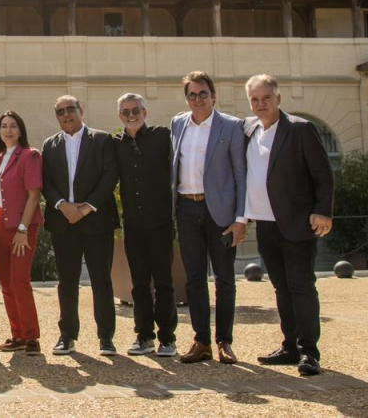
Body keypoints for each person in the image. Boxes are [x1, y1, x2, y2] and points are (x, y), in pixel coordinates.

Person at [243, 74, 334, 376]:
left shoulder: (300, 129)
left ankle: (310, 352)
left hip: (296, 222)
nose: (260, 104)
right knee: (281, 288)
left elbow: (322, 173)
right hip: (266, 224)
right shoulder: (250, 129)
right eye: (254, 99)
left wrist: (323, 210)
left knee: (301, 287)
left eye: (266, 97)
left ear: (278, 98)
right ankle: (290, 346)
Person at [171, 70, 247, 364]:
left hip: (222, 214)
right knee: (194, 279)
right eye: (192, 94)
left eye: (203, 93)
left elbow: (241, 174)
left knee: (225, 279)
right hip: (186, 210)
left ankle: (224, 342)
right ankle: (201, 341)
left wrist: (241, 219)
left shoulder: (231, 126)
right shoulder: (177, 123)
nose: (198, 99)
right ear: (186, 98)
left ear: (213, 96)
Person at [42, 95, 120, 356]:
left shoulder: (101, 139)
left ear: (80, 110)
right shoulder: (49, 145)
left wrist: (86, 207)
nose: (66, 114)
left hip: (96, 221)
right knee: (66, 281)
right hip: (63, 222)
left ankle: (106, 338)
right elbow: (46, 181)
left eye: (70, 109)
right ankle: (67, 336)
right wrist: (63, 205)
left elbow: (110, 175)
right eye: (60, 111)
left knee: (101, 280)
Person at [113, 93, 178, 358]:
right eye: (126, 112)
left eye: (136, 110)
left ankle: (167, 339)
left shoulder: (163, 137)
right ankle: (144, 336)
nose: (131, 115)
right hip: (134, 225)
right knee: (139, 283)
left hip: (161, 223)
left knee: (163, 282)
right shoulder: (115, 145)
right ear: (120, 116)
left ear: (145, 112)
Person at [0, 110, 43, 355]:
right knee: (5, 283)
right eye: (4, 127)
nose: (8, 131)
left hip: (21, 226)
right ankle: (17, 334)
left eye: (12, 126)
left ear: (20, 130)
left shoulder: (30, 156)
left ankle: (32, 336)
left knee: (20, 281)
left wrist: (23, 228)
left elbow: (34, 196)